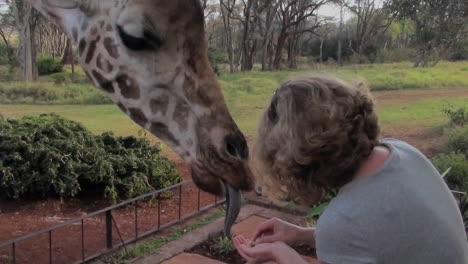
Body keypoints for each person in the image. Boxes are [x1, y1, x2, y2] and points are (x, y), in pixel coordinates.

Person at [233, 76, 468, 264]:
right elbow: (378, 234)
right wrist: (299, 234)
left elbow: (354, 226)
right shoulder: (402, 151)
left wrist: (280, 253)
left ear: (299, 160)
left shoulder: (344, 218)